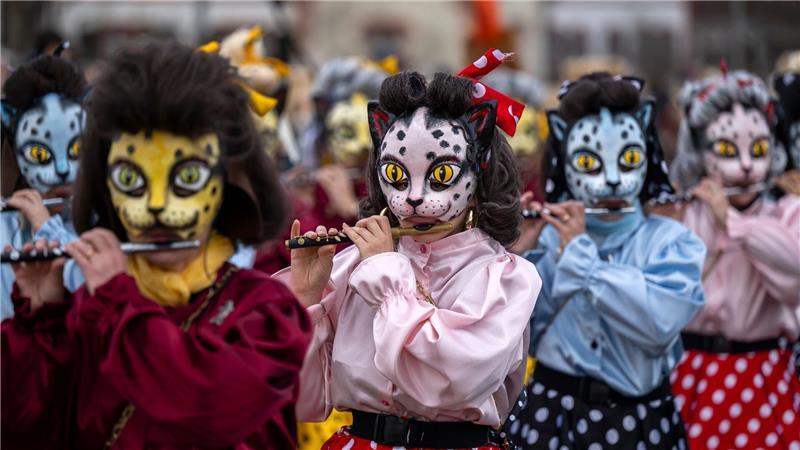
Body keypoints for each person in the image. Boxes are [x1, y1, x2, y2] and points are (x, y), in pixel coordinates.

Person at [1, 43, 311, 449]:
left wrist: (117, 302)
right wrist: (40, 323)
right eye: (132, 180)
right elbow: (25, 430)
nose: (158, 205)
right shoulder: (89, 313)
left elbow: (203, 406)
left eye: (186, 178)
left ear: (226, 183)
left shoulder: (267, 312)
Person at [277, 64, 541, 449]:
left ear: (478, 174)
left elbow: (447, 384)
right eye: (397, 176)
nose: (414, 197)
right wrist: (306, 298)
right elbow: (300, 400)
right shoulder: (355, 265)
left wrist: (387, 278)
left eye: (442, 174)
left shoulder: (506, 278)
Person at [507, 73, 705, 450]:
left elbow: (657, 324)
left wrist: (582, 257)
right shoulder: (549, 237)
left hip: (641, 420)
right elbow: (518, 337)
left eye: (629, 159)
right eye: (590, 163)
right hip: (554, 412)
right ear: (565, 161)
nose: (613, 180)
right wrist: (517, 258)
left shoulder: (673, 243)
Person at [668, 68, 800, 450]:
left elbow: (794, 269)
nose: (745, 165)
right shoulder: (685, 212)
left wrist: (735, 224)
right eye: (727, 150)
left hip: (763, 374)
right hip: (692, 373)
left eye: (758, 150)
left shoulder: (786, 210)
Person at [0, 52, 85, 319]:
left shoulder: (105, 221)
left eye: (77, 149)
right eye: (40, 155)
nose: (62, 171)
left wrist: (48, 229)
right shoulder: (5, 227)